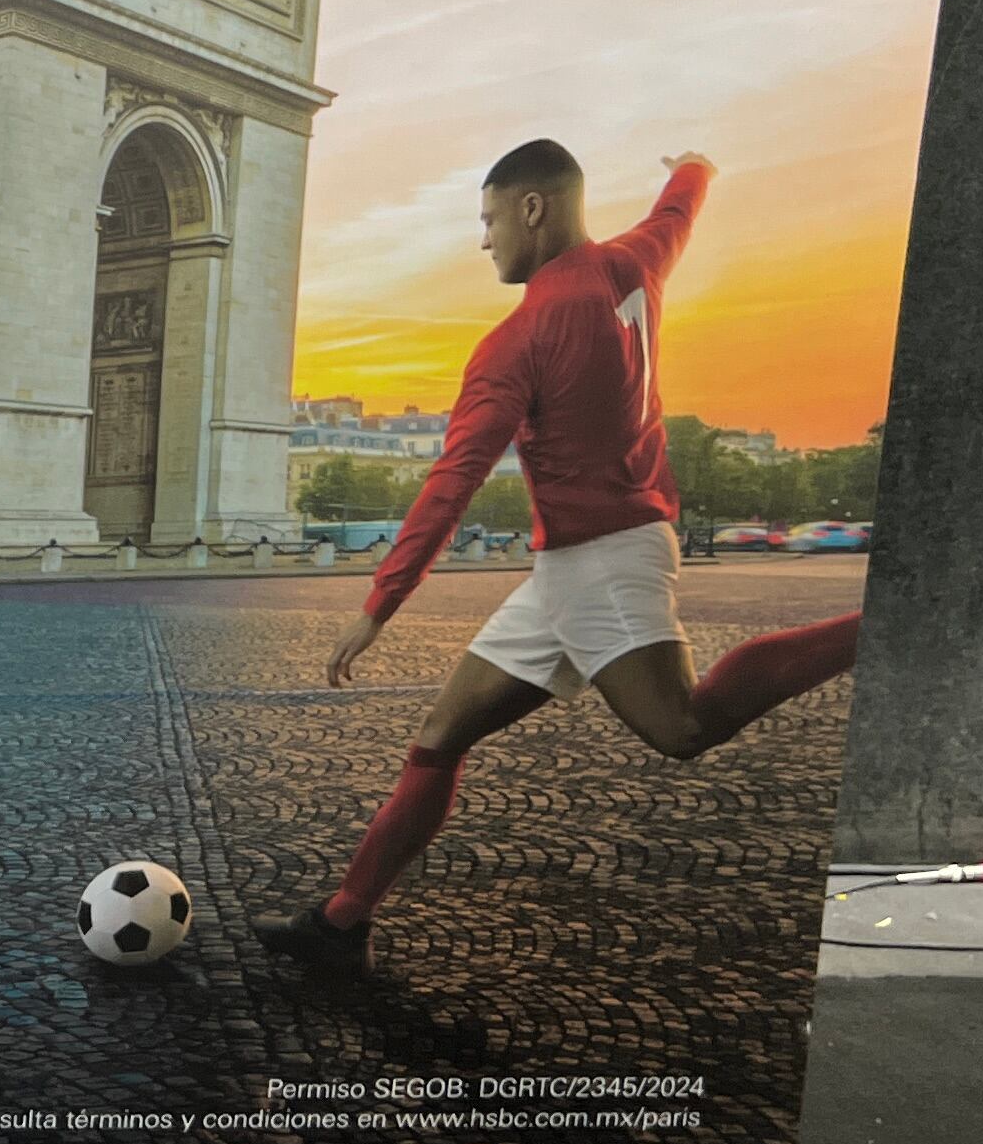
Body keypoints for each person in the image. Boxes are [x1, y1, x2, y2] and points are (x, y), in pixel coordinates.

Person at [260, 139, 861, 972]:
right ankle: (340, 925)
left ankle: (876, 626)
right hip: (583, 562)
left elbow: (453, 483)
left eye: (489, 218)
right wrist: (694, 170)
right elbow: (676, 215)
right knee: (438, 737)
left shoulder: (520, 338)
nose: (484, 239)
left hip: (602, 563)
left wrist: (379, 605)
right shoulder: (637, 261)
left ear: (532, 208)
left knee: (683, 726)